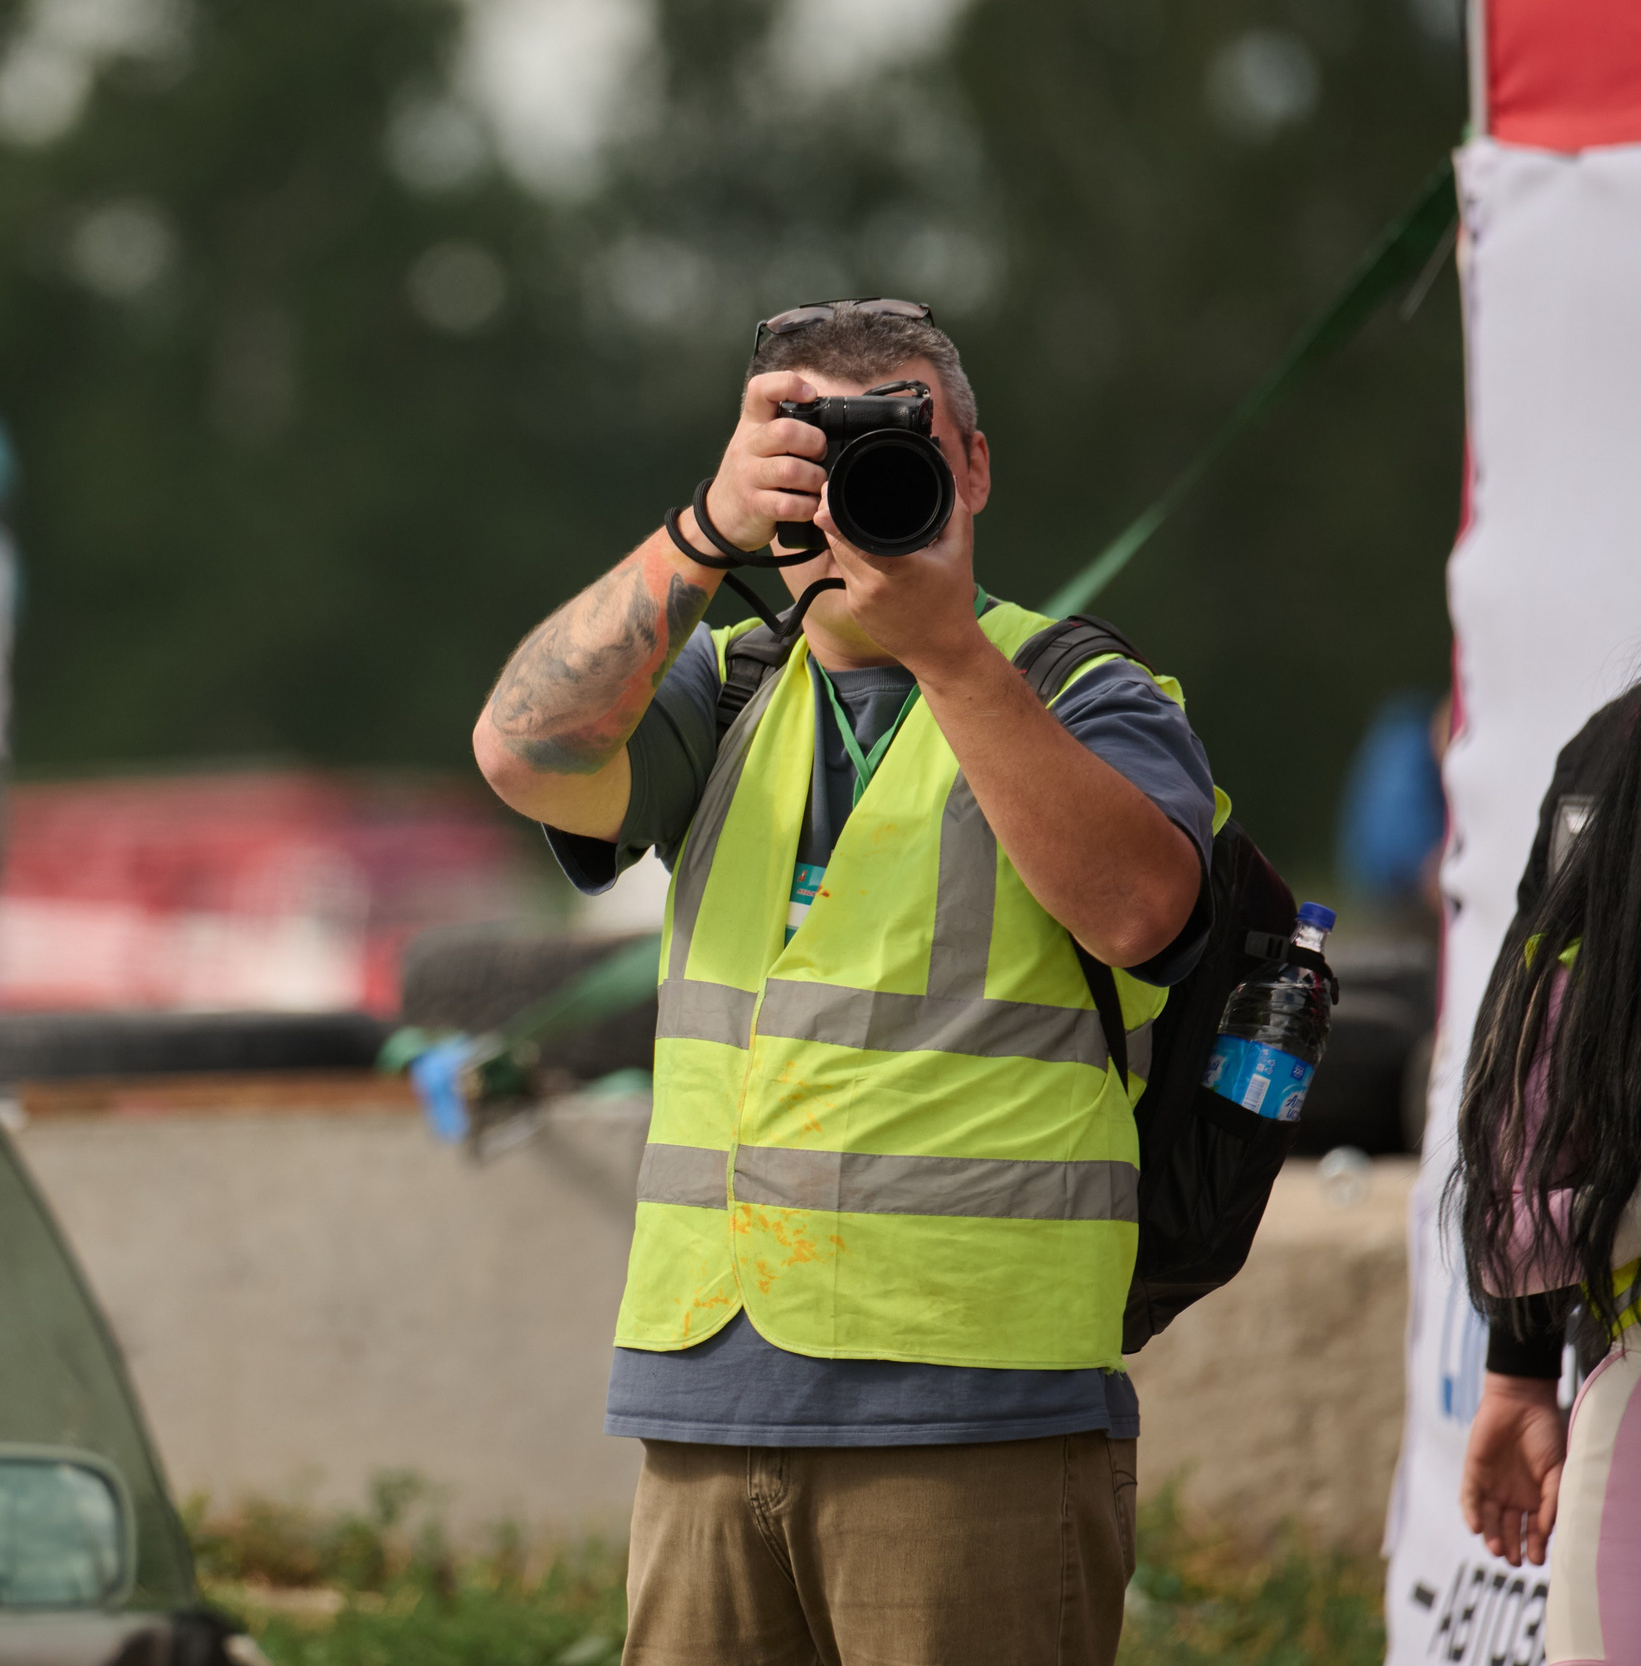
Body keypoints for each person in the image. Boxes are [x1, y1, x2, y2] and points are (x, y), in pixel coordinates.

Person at [471, 300, 1215, 1665]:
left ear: (972, 469)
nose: (858, 484)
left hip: (973, 1407)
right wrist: (703, 534)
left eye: (899, 440)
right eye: (811, 445)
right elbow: (523, 752)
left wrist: (945, 649)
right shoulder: (728, 689)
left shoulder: (1085, 691)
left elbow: (1139, 908)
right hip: (705, 1395)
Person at [1456, 675, 1641, 1663]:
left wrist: (1520, 1369)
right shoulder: (1616, 753)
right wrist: (1519, 1365)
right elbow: (1546, 1088)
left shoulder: (1616, 745)